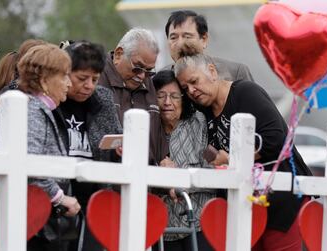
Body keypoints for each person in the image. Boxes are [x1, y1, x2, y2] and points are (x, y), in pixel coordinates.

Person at [174, 54, 312, 251]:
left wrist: (232, 159)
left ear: (212, 71)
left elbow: (276, 139)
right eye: (185, 88)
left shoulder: (245, 92)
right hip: (245, 205)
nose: (192, 91)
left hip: (281, 199)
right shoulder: (204, 112)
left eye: (194, 81)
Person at [0, 43, 80, 251]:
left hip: (36, 221)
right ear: (44, 80)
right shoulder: (31, 111)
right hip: (30, 224)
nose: (69, 84)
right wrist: (60, 198)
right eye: (64, 76)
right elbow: (29, 164)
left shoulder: (39, 109)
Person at [54, 40, 123, 251]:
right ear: (65, 73)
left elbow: (115, 138)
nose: (89, 86)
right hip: (57, 199)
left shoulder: (103, 99)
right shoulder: (52, 98)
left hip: (94, 200)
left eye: (95, 79)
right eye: (82, 78)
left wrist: (119, 151)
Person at [152, 70, 215, 251]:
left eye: (174, 96)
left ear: (184, 98)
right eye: (160, 96)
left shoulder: (200, 123)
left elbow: (213, 171)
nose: (167, 103)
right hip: (160, 227)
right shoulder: (148, 126)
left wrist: (180, 180)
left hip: (198, 223)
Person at [99, 27, 168, 165]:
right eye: (137, 67)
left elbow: (157, 136)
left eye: (149, 71)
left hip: (148, 180)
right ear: (119, 54)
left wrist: (164, 160)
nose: (142, 76)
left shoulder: (148, 83)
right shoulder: (96, 79)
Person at [165, 10, 254, 82]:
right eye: (173, 38)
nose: (180, 43)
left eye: (187, 36)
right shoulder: (161, 77)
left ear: (204, 39)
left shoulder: (235, 73)